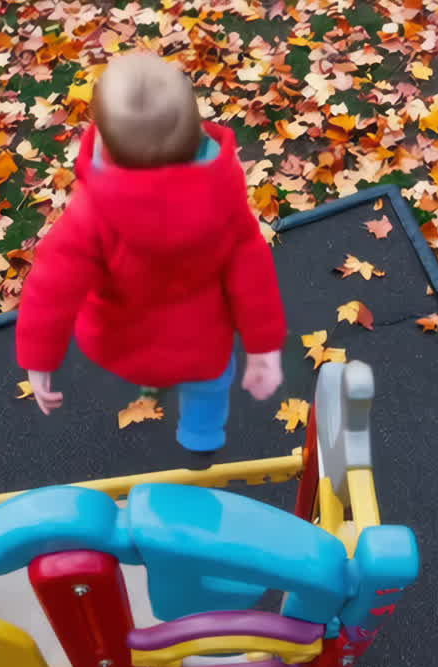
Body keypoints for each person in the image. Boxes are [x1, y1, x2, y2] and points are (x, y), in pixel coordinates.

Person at [15, 51, 286, 468]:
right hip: (202, 342)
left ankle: (151, 384)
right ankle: (201, 440)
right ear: (195, 130)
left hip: (124, 341)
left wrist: (38, 358)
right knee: (209, 386)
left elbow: (50, 289)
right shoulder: (223, 192)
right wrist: (263, 345)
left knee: (153, 366)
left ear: (104, 139)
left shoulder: (91, 215)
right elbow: (250, 267)